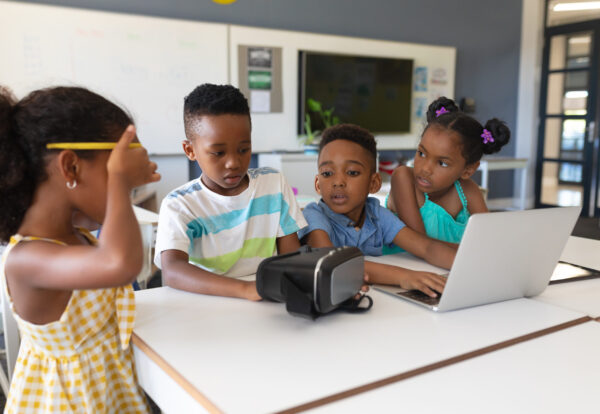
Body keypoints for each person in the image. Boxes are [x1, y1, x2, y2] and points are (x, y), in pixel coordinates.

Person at [0, 86, 160, 413]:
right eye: (117, 163)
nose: (131, 186)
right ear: (71, 167)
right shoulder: (26, 259)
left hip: (106, 392)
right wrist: (119, 179)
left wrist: (114, 178)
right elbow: (119, 264)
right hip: (67, 403)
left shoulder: (74, 234)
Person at [154, 84, 306, 301]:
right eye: (218, 152)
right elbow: (173, 270)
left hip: (266, 297)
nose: (233, 163)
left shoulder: (273, 183)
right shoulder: (179, 204)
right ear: (190, 150)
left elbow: (292, 257)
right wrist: (246, 290)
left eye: (244, 149)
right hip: (207, 300)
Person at [299, 124, 456, 297]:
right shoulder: (314, 215)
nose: (338, 182)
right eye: (327, 173)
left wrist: (467, 266)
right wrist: (405, 276)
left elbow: (426, 248)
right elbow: (329, 261)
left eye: (351, 172)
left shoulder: (376, 214)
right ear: (317, 184)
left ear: (374, 183)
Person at [386, 97, 511, 245]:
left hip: (448, 268)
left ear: (468, 170)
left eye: (442, 163)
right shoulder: (403, 177)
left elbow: (488, 238)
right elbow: (420, 245)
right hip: (400, 265)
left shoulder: (467, 191)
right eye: (421, 153)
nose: (425, 168)